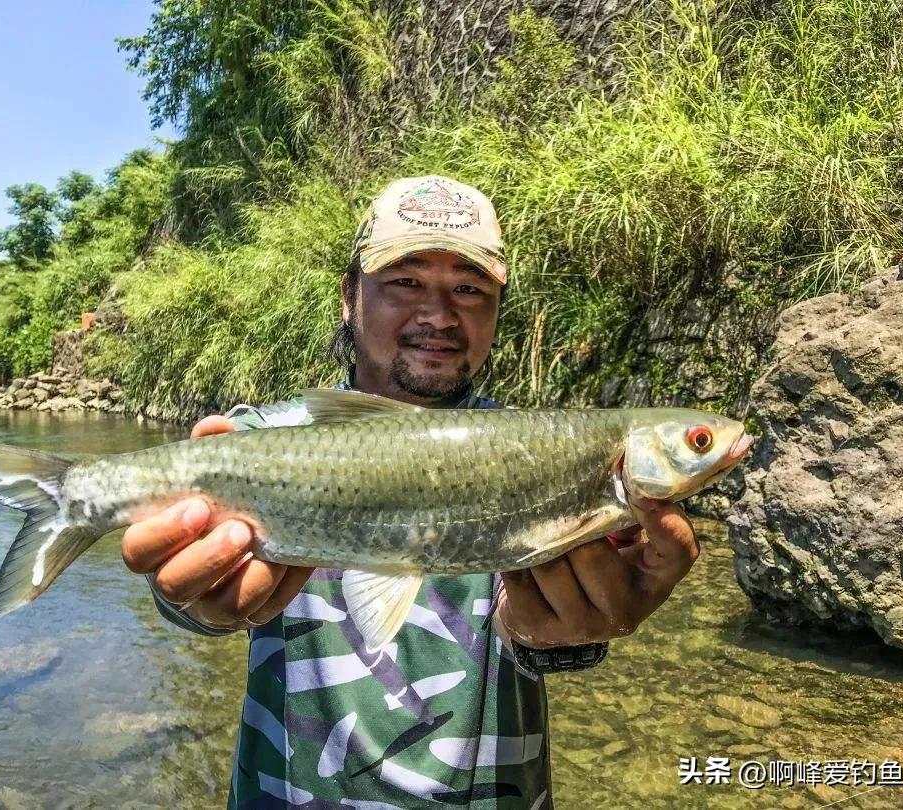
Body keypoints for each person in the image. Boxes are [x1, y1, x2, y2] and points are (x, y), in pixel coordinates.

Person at [121, 175, 699, 808]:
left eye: (469, 289)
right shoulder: (260, 441)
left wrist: (568, 640)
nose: (439, 315)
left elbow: (538, 633)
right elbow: (181, 595)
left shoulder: (541, 452)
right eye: (405, 281)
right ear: (349, 296)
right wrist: (192, 599)